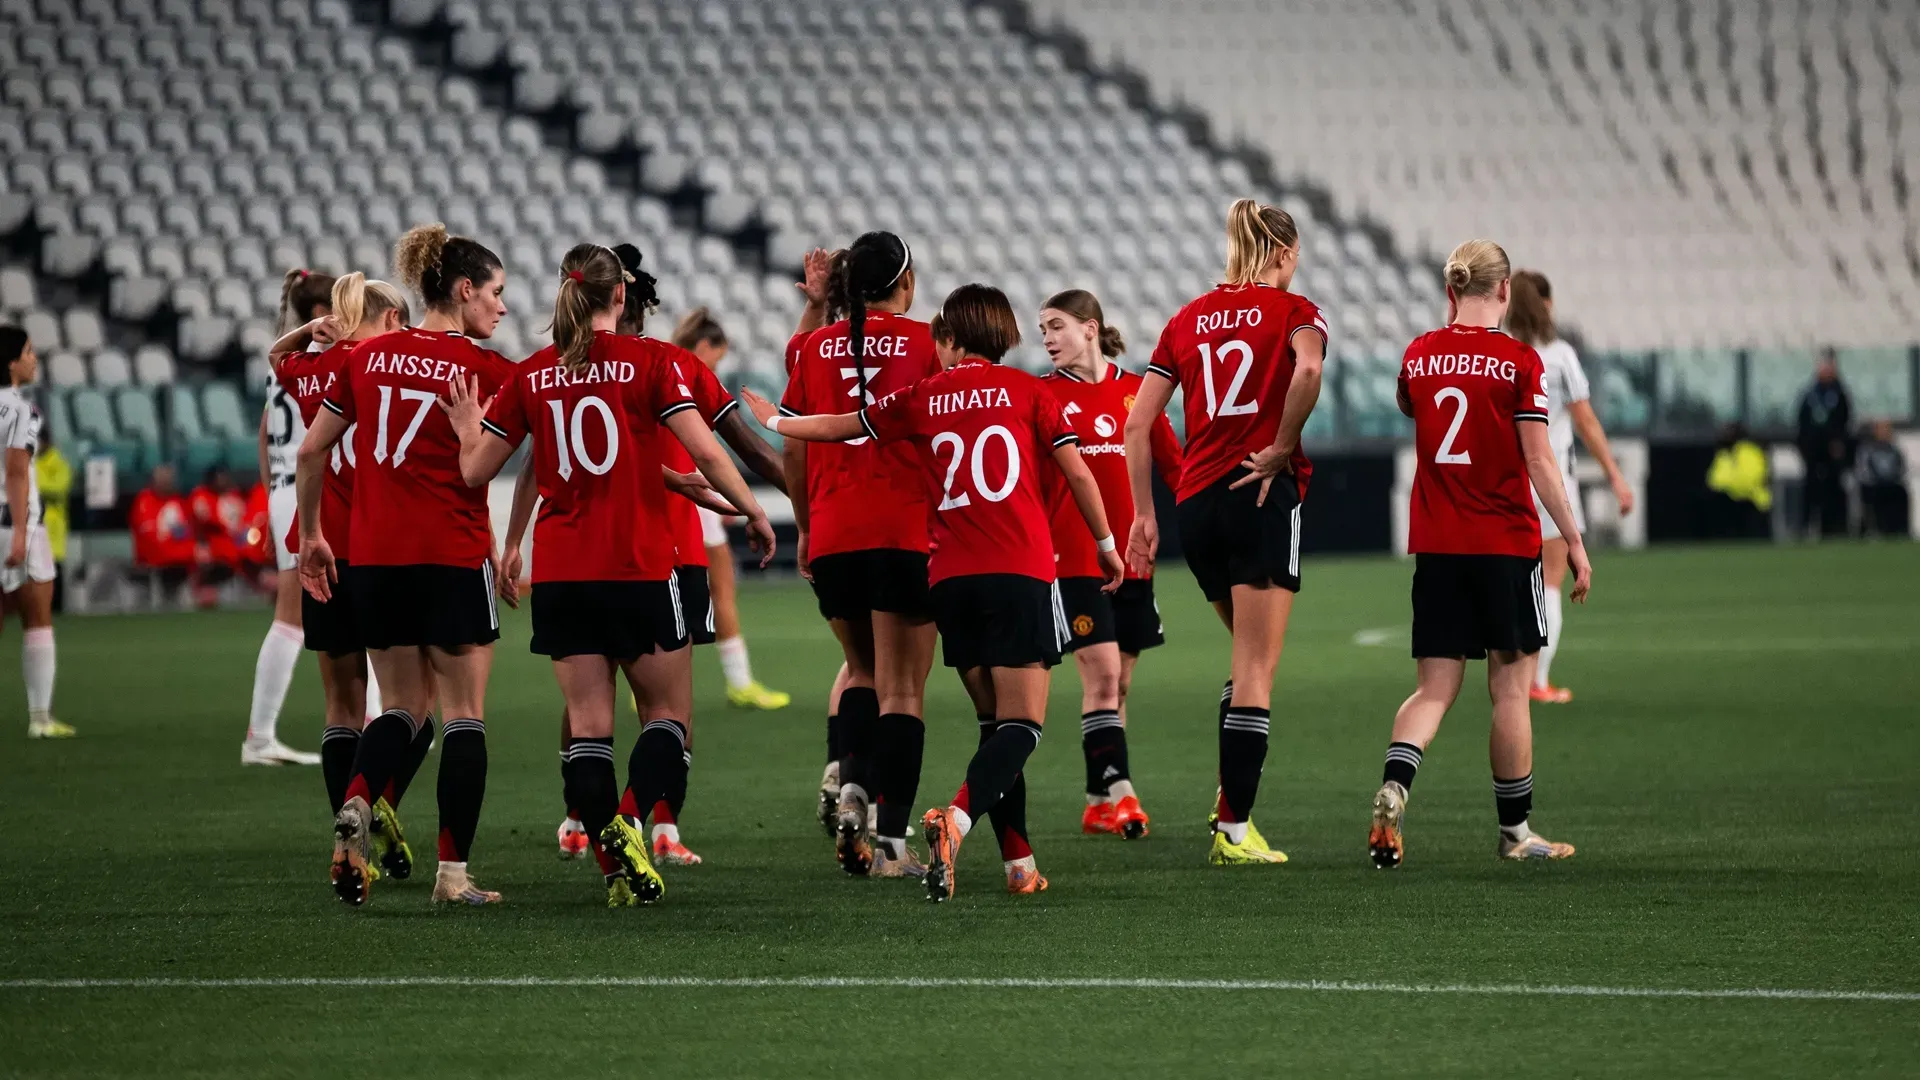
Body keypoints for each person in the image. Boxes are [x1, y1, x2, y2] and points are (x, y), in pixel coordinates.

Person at [747, 283, 1124, 901]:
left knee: (992, 722)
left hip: (949, 578)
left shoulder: (923, 397)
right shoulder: (1031, 392)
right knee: (1022, 726)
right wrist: (1106, 545)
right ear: (1004, 336)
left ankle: (1019, 864)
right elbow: (1077, 470)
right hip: (1020, 569)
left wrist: (776, 420)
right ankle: (956, 818)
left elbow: (844, 427)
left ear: (950, 341)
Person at [445, 242, 775, 907]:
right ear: (620, 297)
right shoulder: (650, 362)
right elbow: (710, 449)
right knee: (667, 719)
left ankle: (605, 844)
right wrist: (752, 511)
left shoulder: (533, 374)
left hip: (563, 573)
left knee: (589, 726)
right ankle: (626, 826)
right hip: (639, 565)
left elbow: (477, 473)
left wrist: (463, 428)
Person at [545, 247, 789, 868]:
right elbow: (749, 454)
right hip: (668, 555)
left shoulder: (554, 370)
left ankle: (583, 820)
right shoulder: (669, 365)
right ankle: (653, 825)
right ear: (631, 299)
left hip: (582, 559)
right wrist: (799, 508)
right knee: (670, 711)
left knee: (587, 704)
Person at [296, 223, 514, 907]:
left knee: (397, 708)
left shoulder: (368, 359)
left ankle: (358, 803)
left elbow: (311, 452)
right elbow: (488, 463)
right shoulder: (485, 370)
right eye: (497, 293)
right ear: (463, 289)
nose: (502, 308)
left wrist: (311, 536)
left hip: (376, 560)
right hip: (450, 554)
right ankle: (453, 877)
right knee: (465, 715)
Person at [1368, 238, 1593, 870]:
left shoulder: (1419, 354)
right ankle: (1516, 832)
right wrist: (1573, 539)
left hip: (1439, 544)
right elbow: (1539, 459)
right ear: (1504, 290)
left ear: (1450, 291)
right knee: (1511, 691)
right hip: (1503, 543)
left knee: (1434, 690)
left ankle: (1395, 786)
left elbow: (1409, 404)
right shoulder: (1521, 362)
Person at [1122, 198, 1326, 867]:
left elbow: (1137, 421)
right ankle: (1235, 832)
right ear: (1285, 254)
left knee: (1245, 658)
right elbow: (1308, 369)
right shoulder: (1295, 313)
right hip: (1260, 492)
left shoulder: (1187, 318)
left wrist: (1144, 514)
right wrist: (1282, 443)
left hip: (1197, 503)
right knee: (1257, 668)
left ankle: (1227, 803)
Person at [779, 232, 942, 878]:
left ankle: (851, 791)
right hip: (906, 532)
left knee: (860, 672)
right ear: (906, 283)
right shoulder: (928, 343)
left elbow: (792, 445)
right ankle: (893, 843)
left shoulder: (816, 347)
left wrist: (804, 526)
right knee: (904, 689)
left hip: (835, 534)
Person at [270, 272, 432, 882]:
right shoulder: (388, 368)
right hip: (381, 550)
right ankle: (378, 805)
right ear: (390, 318)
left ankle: (346, 837)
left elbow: (276, 356)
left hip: (322, 553)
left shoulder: (317, 371)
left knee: (341, 705)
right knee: (415, 706)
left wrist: (312, 332)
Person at [1037, 290, 1181, 839]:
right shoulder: (1043, 397)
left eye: (1056, 326)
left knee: (1118, 688)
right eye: (1043, 329)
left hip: (1135, 563)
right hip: (1072, 562)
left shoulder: (1135, 395)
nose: (1046, 339)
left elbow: (1175, 466)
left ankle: (1096, 800)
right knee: (1101, 679)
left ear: (1090, 328)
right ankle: (1123, 792)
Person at [1504, 271, 1632, 704]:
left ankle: (1509, 673)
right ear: (1545, 304)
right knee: (1551, 581)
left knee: (1511, 579)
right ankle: (1536, 681)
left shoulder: (1501, 353)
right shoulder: (1559, 357)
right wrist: (1615, 475)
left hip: (1506, 481)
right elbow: (1586, 422)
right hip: (1552, 478)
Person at [671, 306, 790, 711]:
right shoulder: (686, 374)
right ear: (704, 346)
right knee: (721, 586)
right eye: (716, 356)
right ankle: (740, 682)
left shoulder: (655, 365)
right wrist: (728, 494)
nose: (715, 367)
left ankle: (644, 686)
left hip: (666, 489)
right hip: (692, 490)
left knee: (660, 583)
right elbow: (707, 445)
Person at [241, 268, 337, 765]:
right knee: (295, 619)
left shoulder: (280, 359)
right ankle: (259, 736)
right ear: (322, 315)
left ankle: (263, 734)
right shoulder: (324, 359)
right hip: (308, 491)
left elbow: (263, 433)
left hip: (283, 489)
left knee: (308, 614)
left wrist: (271, 497)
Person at [0, 326, 69, 739]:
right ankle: (41, 718)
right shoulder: (21, 409)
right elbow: (16, 470)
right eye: (27, 351)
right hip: (16, 523)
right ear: (11, 363)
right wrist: (23, 533)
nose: (34, 358)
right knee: (38, 615)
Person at [1796, 349, 1853, 539]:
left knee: (1834, 490)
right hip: (1813, 452)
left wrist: (1839, 444)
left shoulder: (1840, 394)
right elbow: (1802, 422)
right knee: (1811, 490)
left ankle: (1834, 528)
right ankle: (1807, 527)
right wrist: (1804, 447)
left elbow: (1845, 421)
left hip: (1833, 453)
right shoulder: (1810, 395)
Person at [130, 464, 196, 599]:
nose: (168, 484)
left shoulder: (178, 501)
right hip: (154, 558)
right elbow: (150, 536)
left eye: (170, 481)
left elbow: (189, 530)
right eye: (164, 481)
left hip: (181, 557)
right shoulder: (145, 501)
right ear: (154, 482)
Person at [1705, 423, 1773, 539]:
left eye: (1728, 433)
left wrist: (1734, 489)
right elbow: (1714, 481)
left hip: (1754, 505)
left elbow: (1751, 479)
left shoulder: (1750, 451)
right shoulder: (1723, 455)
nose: (1724, 436)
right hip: (1731, 505)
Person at [33, 429, 69, 614]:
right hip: (28, 522)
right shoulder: (29, 460)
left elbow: (59, 488)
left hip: (52, 525)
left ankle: (57, 609)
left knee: (54, 568)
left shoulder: (59, 463)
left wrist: (34, 484)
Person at [1854, 419, 1910, 537]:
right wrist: (1877, 480)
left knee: (1901, 492)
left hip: (1890, 483)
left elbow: (1901, 468)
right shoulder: (1868, 449)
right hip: (1874, 484)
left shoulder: (1894, 450)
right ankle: (1874, 529)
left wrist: (1893, 478)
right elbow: (1864, 471)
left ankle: (1900, 529)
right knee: (1872, 493)